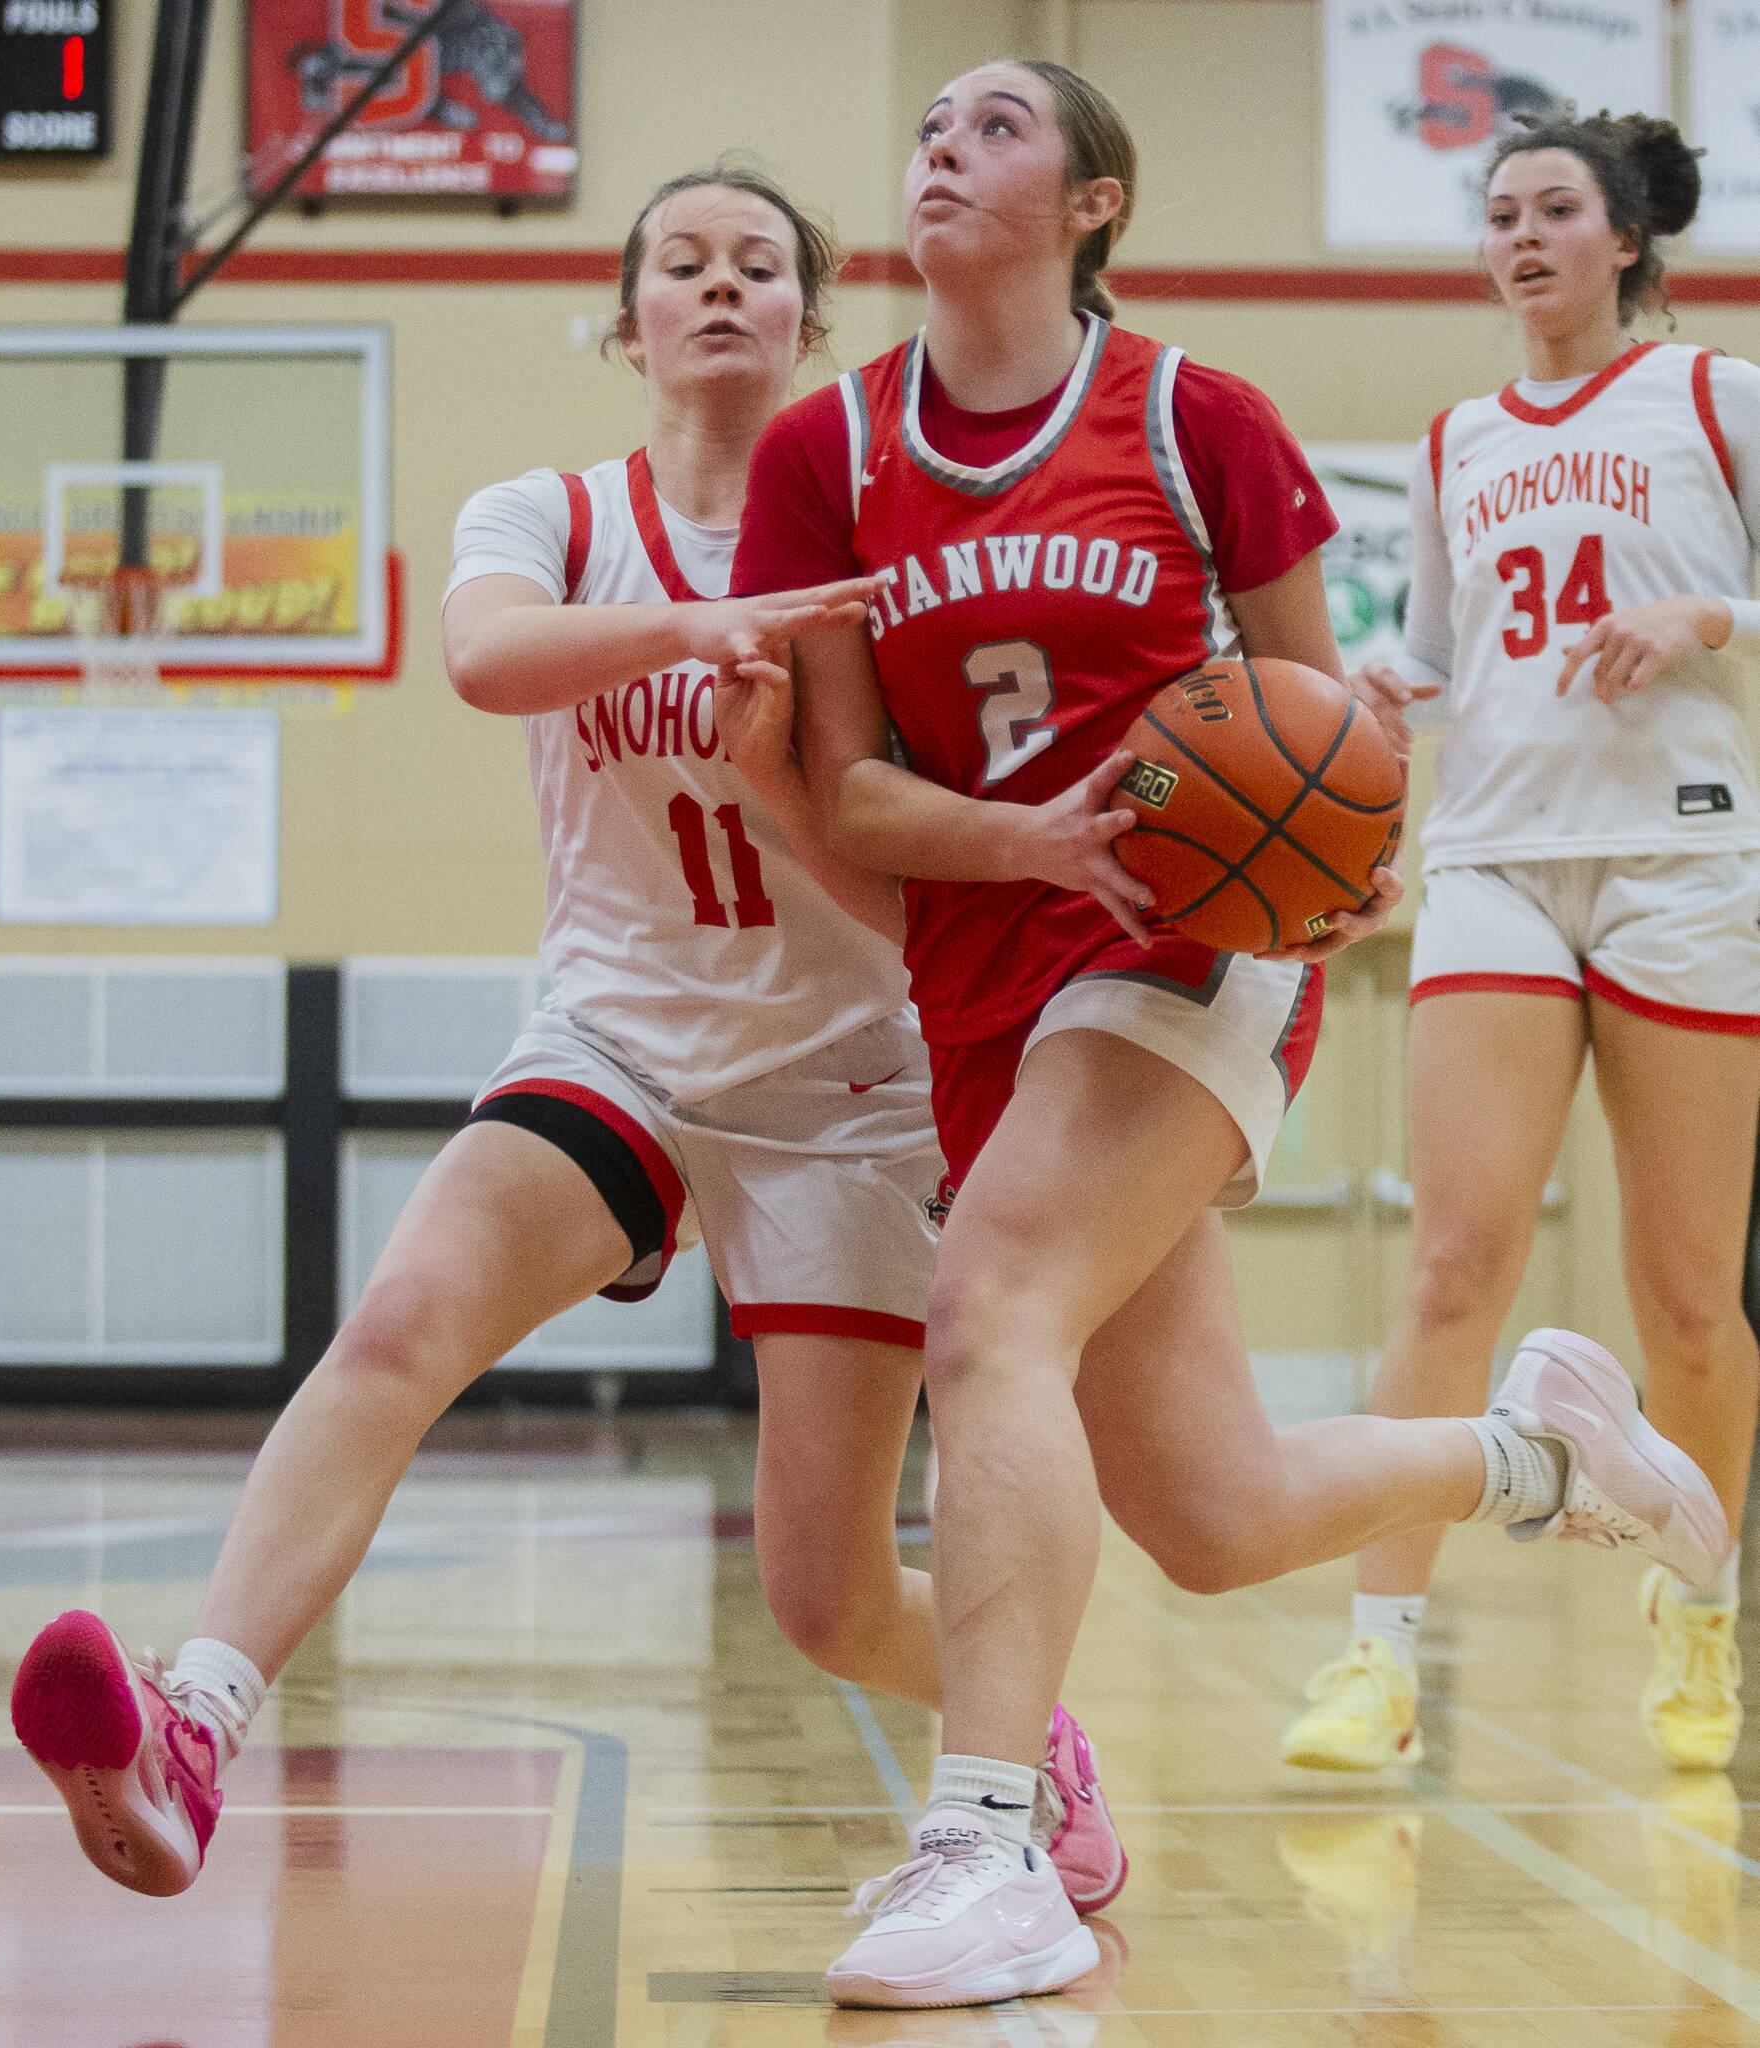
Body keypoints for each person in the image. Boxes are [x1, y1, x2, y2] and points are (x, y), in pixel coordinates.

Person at [723, 61, 1734, 2009]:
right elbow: (840, 797)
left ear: (1095, 197)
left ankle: (986, 1840)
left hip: (1188, 949)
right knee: (1209, 1511)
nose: (942, 143)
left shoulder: (1197, 420)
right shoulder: (824, 454)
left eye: (996, 125)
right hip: (982, 982)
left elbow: (1314, 724)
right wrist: (1021, 839)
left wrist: (1332, 851)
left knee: (990, 1301)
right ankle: (1532, 1451)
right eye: (928, 122)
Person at [7, 164, 1125, 1915]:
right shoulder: (550, 513)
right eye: (680, 261)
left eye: (759, 264)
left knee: (821, 1598)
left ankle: (1029, 1731)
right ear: (627, 320)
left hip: (846, 1087)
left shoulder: (873, 552)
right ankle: (193, 1726)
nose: (719, 285)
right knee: (397, 1323)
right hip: (618, 1045)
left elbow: (905, 848)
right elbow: (483, 657)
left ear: (812, 328)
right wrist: (692, 623)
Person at [1282, 113, 1760, 1778]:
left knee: (1687, 1301)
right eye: (1498, 213)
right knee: (1449, 1268)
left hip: (1681, 861)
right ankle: (1377, 1659)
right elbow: (1419, 652)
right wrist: (1375, 704)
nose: (1521, 235)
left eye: (1555, 208)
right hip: (1492, 857)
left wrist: (1709, 615)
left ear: (1624, 239)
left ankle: (1696, 1619)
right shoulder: (1450, 439)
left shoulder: (1714, 397)